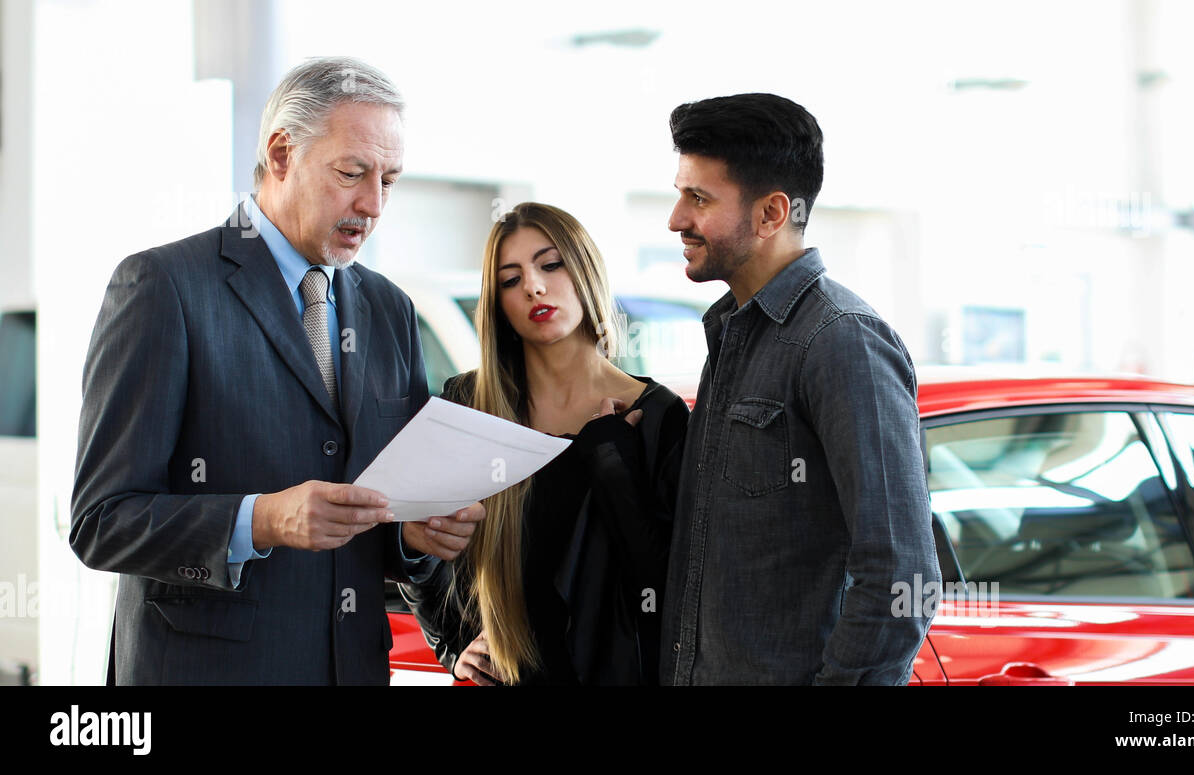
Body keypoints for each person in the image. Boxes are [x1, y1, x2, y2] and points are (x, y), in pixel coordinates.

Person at [70, 56, 484, 685]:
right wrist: (261, 520)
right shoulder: (163, 286)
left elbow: (387, 508)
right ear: (283, 153)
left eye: (390, 181)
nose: (373, 204)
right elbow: (102, 522)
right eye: (352, 173)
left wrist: (415, 537)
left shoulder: (389, 308)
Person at [660, 93, 940, 685]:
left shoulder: (842, 342)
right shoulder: (732, 331)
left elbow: (903, 579)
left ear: (770, 214)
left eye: (699, 198)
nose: (676, 218)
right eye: (681, 193)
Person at [401, 202, 688, 685]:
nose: (534, 286)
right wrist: (452, 646)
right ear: (499, 306)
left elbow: (671, 588)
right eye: (511, 280)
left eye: (550, 265)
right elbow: (415, 544)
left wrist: (613, 462)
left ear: (584, 270)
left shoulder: (656, 414)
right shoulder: (469, 403)